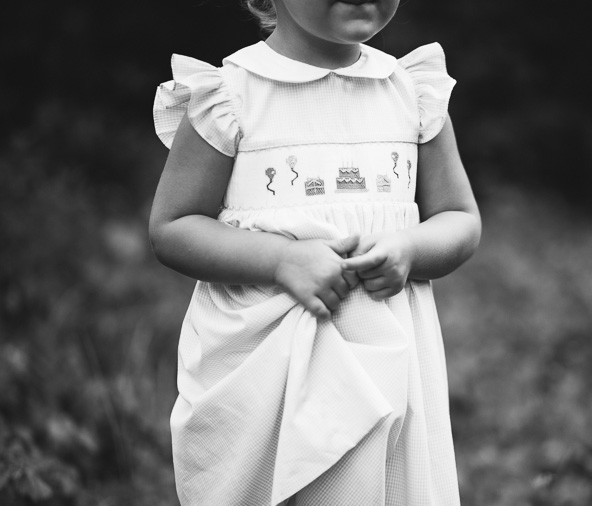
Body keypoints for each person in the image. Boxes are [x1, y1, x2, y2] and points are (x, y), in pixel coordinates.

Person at [149, 0, 480, 504]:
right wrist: (281, 260)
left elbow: (460, 218)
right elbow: (174, 227)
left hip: (383, 366)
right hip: (268, 370)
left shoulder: (410, 92)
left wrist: (409, 247)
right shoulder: (230, 95)